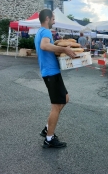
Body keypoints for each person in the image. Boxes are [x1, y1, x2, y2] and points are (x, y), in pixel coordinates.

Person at [34, 9, 76, 148]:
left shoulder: (39, 32)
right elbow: (44, 46)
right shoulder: (45, 32)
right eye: (53, 18)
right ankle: (49, 139)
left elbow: (45, 45)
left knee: (65, 98)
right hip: (51, 73)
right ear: (47, 18)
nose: (54, 20)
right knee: (56, 106)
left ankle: (47, 128)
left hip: (50, 72)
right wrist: (64, 50)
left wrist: (58, 44)